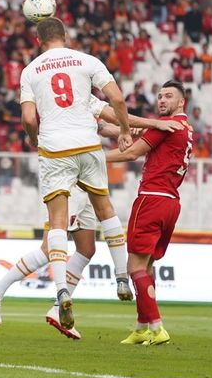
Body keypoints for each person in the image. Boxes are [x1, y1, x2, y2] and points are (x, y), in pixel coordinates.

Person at [0, 95, 183, 338]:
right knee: (49, 248)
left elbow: (102, 126)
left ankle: (58, 310)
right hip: (68, 178)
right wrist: (136, 128)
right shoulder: (57, 100)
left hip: (88, 178)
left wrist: (126, 130)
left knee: (87, 248)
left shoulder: (84, 94)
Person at [18, 17, 133, 330]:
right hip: (88, 143)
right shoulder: (87, 61)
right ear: (65, 36)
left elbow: (29, 117)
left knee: (57, 221)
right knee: (105, 208)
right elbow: (118, 98)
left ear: (39, 41)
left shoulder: (31, 71)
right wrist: (124, 130)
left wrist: (33, 138)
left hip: (55, 148)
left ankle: (62, 290)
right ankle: (122, 279)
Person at [105, 80, 194, 346]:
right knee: (147, 266)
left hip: (152, 199)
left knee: (134, 266)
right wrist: (111, 129)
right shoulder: (185, 128)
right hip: (170, 202)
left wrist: (90, 157)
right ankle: (142, 326)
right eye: (160, 96)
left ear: (181, 102)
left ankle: (156, 326)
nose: (162, 100)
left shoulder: (167, 127)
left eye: (169, 96)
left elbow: (131, 153)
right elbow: (130, 133)